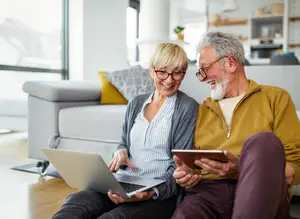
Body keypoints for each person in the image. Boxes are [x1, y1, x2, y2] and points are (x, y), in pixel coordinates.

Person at [52, 42, 199, 219]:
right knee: (76, 203)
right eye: (163, 72)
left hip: (157, 194)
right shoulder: (136, 102)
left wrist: (148, 193)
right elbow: (124, 142)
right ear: (152, 71)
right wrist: (121, 151)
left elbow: (179, 165)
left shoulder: (187, 107)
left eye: (177, 73)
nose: (169, 79)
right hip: (122, 182)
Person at [171, 31, 300, 219]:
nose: (202, 77)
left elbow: (295, 167)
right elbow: (195, 166)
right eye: (200, 71)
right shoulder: (202, 109)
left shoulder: (276, 98)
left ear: (231, 63)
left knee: (262, 142)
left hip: (262, 190)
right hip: (208, 195)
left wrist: (243, 169)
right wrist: (187, 175)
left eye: (205, 68)